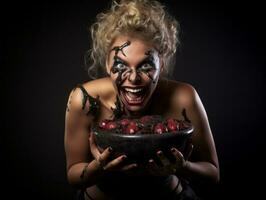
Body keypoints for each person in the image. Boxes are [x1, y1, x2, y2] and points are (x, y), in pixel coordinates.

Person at [64, 0, 220, 199]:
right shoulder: (83, 100)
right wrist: (99, 167)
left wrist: (183, 167)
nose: (134, 78)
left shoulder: (184, 97)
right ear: (107, 63)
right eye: (121, 66)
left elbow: (212, 174)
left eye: (145, 66)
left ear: (161, 64)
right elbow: (73, 175)